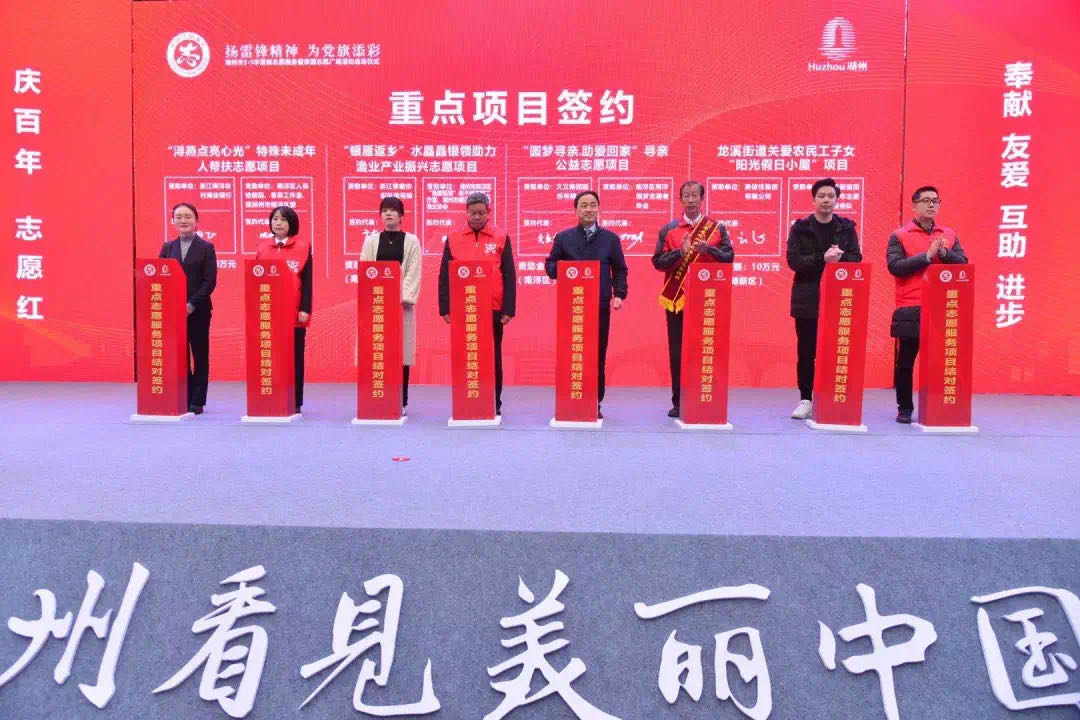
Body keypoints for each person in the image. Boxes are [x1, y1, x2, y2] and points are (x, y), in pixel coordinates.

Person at [887, 185, 968, 423]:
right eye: (926, 200)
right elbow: (895, 267)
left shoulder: (949, 234)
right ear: (914, 205)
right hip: (911, 305)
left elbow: (963, 264)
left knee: (942, 360)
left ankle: (939, 405)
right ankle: (905, 408)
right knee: (906, 361)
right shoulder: (900, 235)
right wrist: (926, 256)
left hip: (943, 306)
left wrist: (945, 255)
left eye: (935, 201)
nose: (931, 205)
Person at [652, 180, 734, 417]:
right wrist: (680, 253)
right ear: (680, 199)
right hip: (677, 298)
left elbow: (729, 256)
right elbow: (657, 262)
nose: (690, 200)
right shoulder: (669, 229)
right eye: (686, 195)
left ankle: (707, 397)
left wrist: (709, 250)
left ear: (702, 198)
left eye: (695, 195)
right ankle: (679, 401)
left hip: (709, 299)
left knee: (707, 348)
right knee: (678, 350)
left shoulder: (716, 228)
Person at [545, 190, 628, 419]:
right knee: (571, 353)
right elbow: (550, 266)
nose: (588, 209)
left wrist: (619, 294)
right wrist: (567, 270)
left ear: (599, 208)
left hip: (599, 306)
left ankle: (594, 402)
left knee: (596, 354)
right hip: (571, 307)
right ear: (576, 210)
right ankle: (570, 399)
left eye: (593, 205)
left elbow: (620, 269)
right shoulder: (563, 238)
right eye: (584, 205)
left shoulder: (611, 239)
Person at [785, 178, 862, 419]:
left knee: (835, 349)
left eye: (830, 196)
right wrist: (822, 258)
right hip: (807, 297)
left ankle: (831, 396)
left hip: (839, 299)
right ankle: (806, 399)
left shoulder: (846, 228)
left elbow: (856, 258)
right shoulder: (800, 228)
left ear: (837, 199)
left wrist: (841, 259)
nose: (826, 200)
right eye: (821, 196)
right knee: (806, 351)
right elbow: (794, 261)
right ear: (814, 200)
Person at [437, 192, 516, 415]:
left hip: (492, 307)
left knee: (493, 356)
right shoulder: (453, 238)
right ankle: (466, 400)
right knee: (466, 355)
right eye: (473, 213)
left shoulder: (501, 236)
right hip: (463, 308)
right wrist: (445, 307)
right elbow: (444, 275)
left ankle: (494, 403)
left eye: (481, 212)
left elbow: (509, 274)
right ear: (466, 212)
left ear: (488, 212)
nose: (477, 216)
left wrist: (509, 308)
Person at [360, 196, 422, 414]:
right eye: (384, 210)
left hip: (400, 307)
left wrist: (399, 297)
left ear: (401, 215)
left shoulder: (411, 241)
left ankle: (400, 402)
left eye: (393, 210)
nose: (388, 214)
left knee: (400, 354)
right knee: (376, 352)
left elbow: (413, 271)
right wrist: (375, 297)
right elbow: (366, 270)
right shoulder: (371, 240)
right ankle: (375, 397)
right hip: (376, 306)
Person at [159, 202, 217, 414]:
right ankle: (185, 394)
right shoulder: (167, 248)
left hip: (198, 310)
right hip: (174, 312)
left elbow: (209, 281)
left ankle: (198, 400)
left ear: (196, 220)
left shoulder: (206, 248)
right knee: (179, 355)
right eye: (179, 217)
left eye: (188, 216)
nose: (183, 220)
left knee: (199, 355)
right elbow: (160, 278)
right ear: (173, 221)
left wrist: (191, 303)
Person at [255, 206, 312, 412]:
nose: (278, 223)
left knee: (294, 357)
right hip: (268, 312)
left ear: (292, 223)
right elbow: (255, 280)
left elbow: (307, 281)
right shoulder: (263, 248)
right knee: (271, 356)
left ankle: (295, 401)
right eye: (275, 219)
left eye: (283, 220)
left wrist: (305, 308)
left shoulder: (303, 246)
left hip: (293, 311)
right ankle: (272, 396)